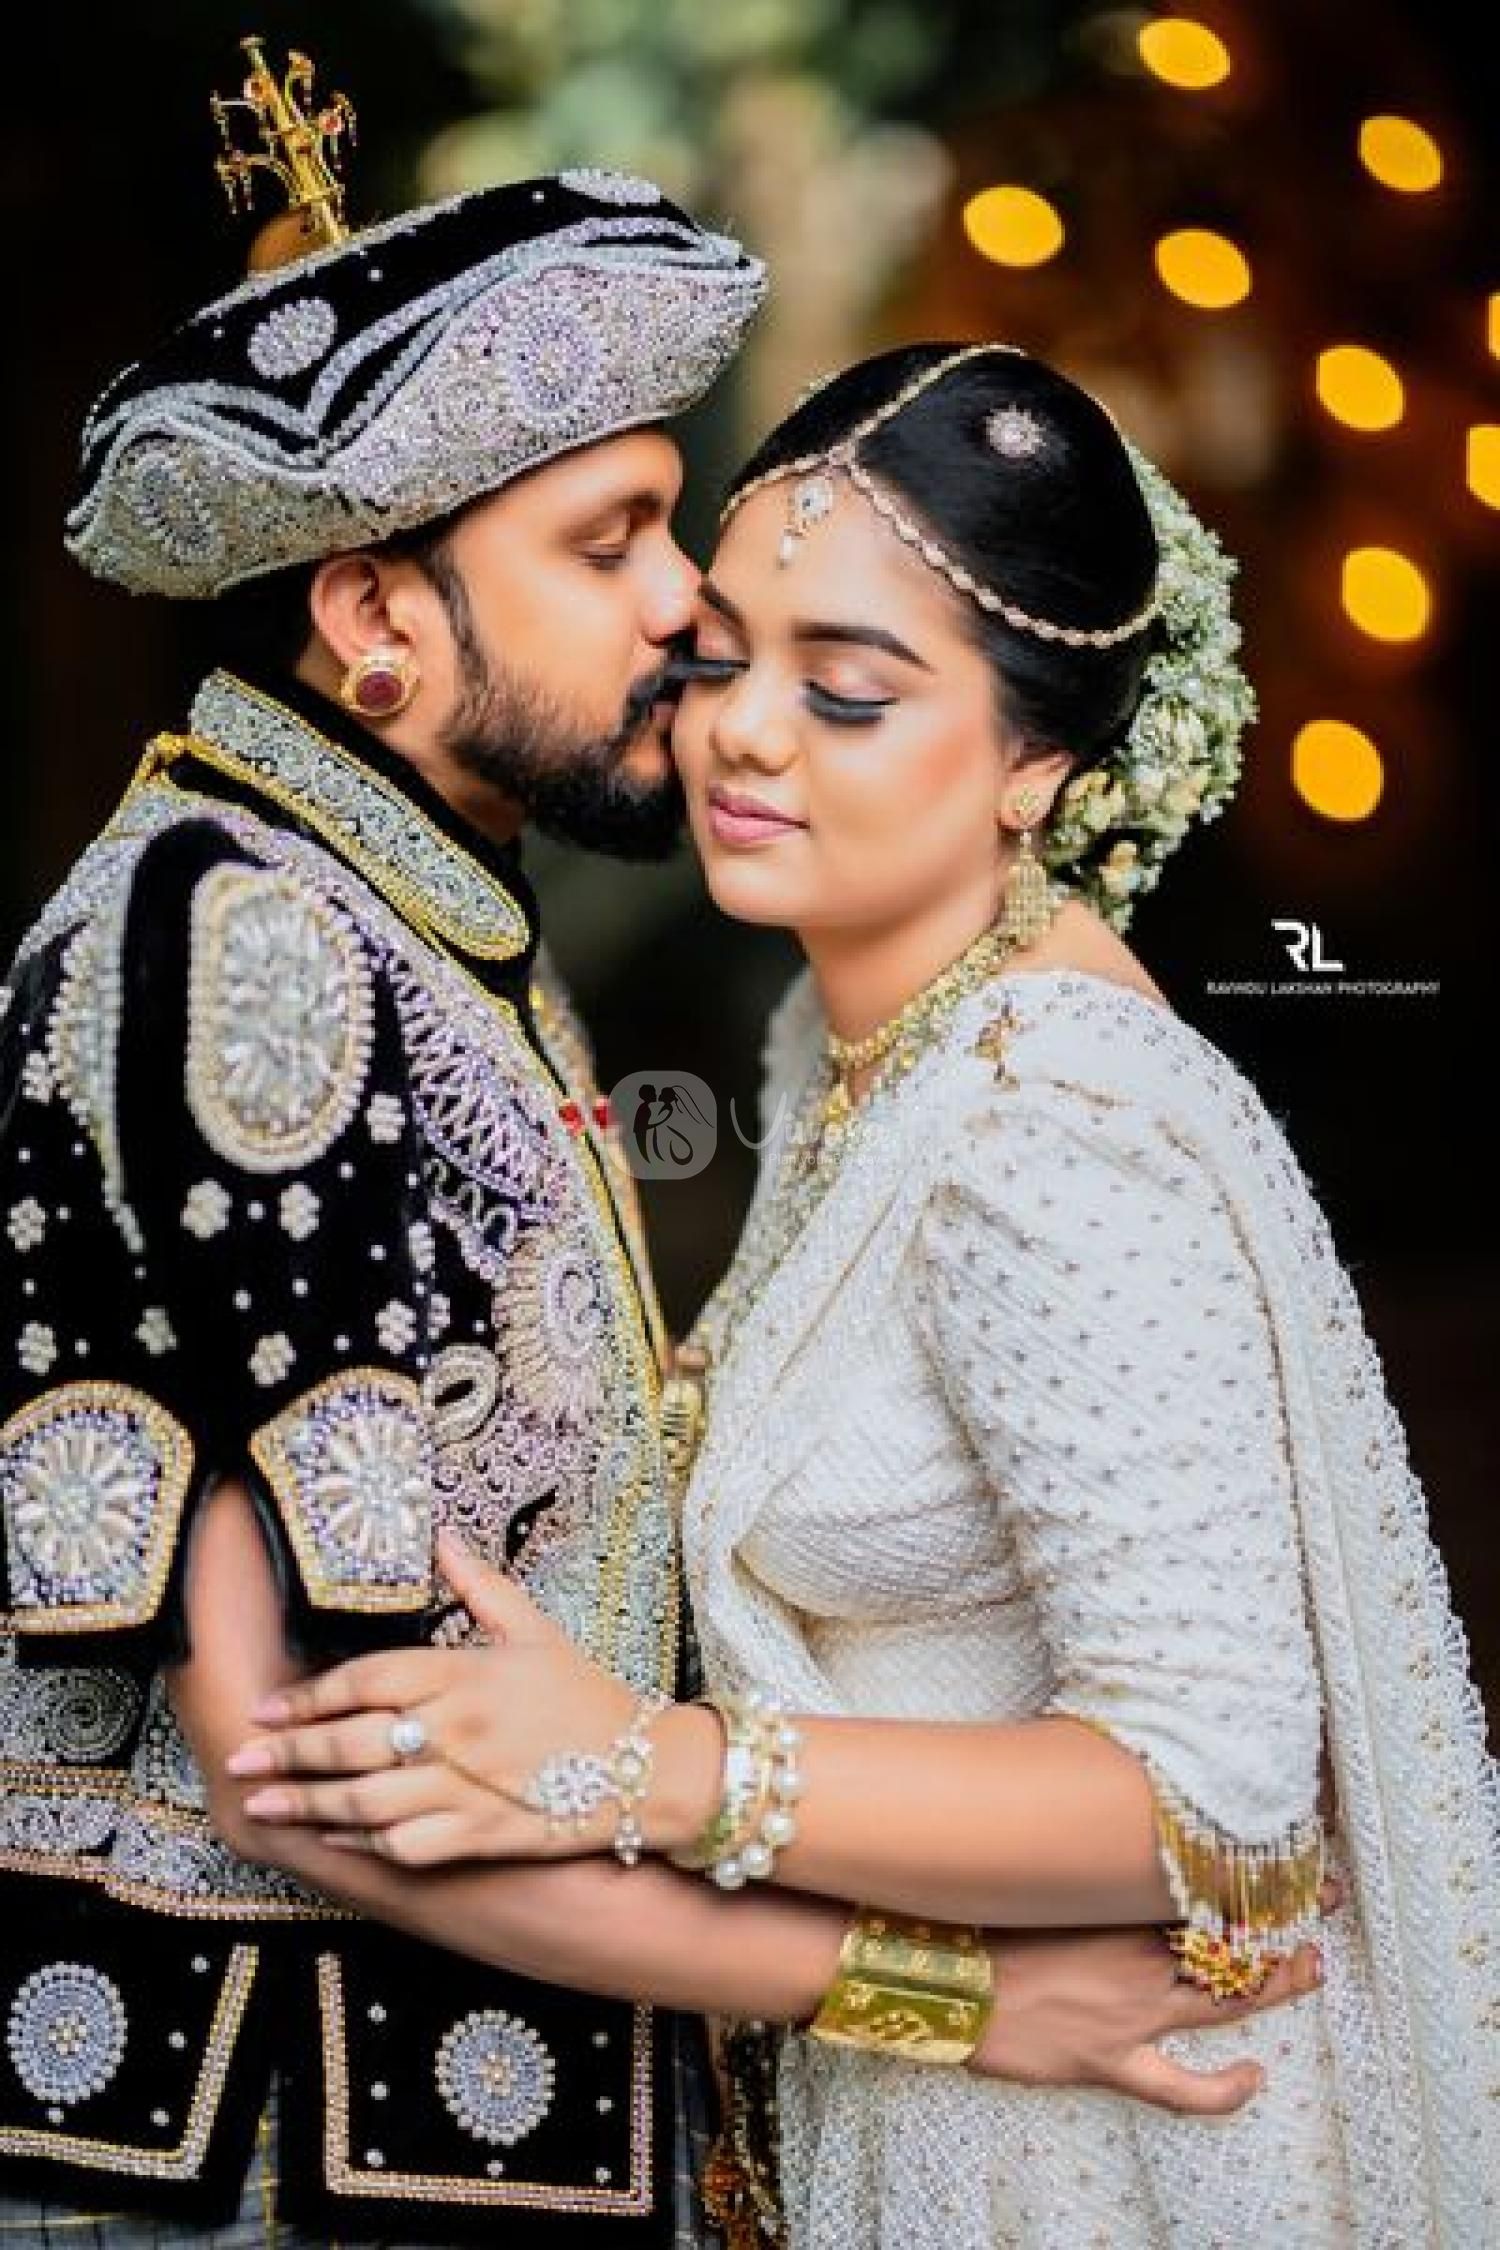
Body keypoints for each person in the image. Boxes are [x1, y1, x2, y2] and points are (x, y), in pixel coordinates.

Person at [0, 42, 1316, 2245]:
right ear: (377, 621)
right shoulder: (244, 941)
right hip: (272, 2152)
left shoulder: (419, 911)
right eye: (608, 542)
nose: (687, 608)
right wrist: (953, 1997)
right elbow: (319, 1766)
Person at [230, 343, 1500, 2247]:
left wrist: (631, 1763)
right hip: (942, 2090)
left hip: (1106, 2159)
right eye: (722, 657)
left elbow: (1217, 1799)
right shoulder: (837, 1054)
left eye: (848, 691)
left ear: (1038, 766)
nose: (744, 733)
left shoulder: (1048, 1129)